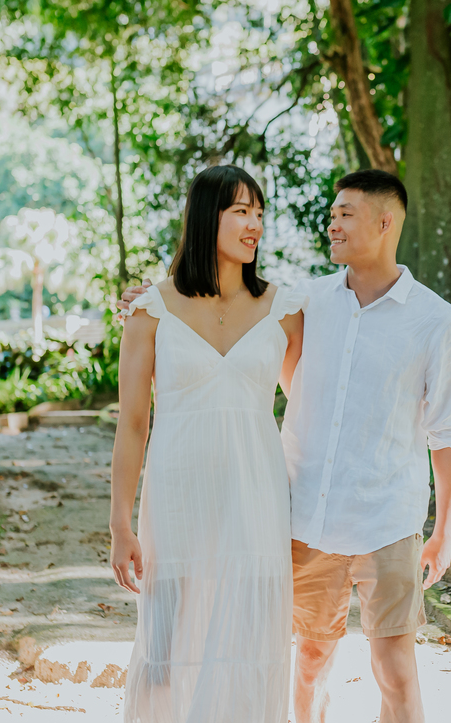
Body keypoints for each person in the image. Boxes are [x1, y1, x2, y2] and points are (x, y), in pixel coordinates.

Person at [121, 168, 451, 723]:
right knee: (307, 661)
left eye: (344, 215)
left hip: (388, 514)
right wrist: (157, 301)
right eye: (331, 213)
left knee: (396, 668)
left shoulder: (437, 322)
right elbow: (263, 365)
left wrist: (443, 532)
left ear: (384, 223)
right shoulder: (306, 303)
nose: (330, 223)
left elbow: (448, 434)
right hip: (308, 516)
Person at [109, 165, 305, 723]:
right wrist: (121, 524)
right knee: (164, 650)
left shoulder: (286, 311)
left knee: (248, 648)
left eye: (260, 214)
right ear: (205, 218)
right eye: (241, 211)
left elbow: (311, 407)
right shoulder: (151, 310)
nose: (255, 226)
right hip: (176, 499)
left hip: (255, 501)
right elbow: (131, 425)